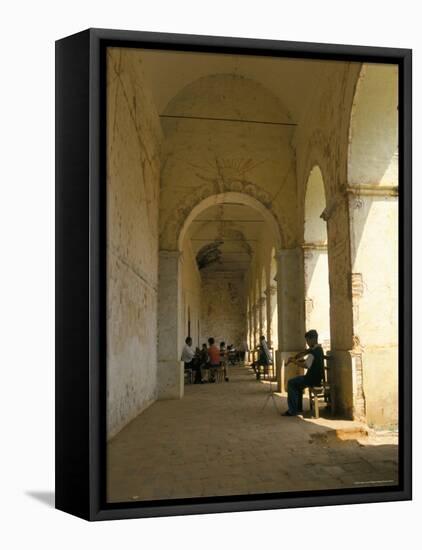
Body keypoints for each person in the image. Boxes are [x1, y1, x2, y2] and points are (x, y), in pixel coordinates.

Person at [282, 329, 325, 417]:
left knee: (291, 383)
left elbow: (306, 365)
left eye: (308, 340)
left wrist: (294, 361)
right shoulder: (319, 349)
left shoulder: (314, 351)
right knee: (297, 384)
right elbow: (311, 361)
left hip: (311, 379)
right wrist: (298, 359)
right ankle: (297, 408)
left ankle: (292, 410)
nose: (307, 343)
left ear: (313, 339)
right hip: (316, 378)